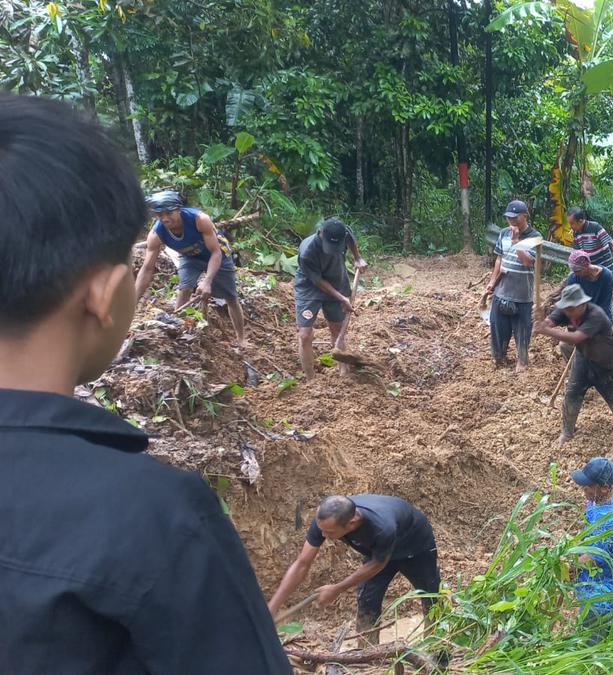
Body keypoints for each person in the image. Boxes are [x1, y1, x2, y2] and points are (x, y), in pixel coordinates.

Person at [0, 94, 290, 673]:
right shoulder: (160, 516)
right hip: (168, 274)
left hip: (211, 262)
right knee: (190, 295)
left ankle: (234, 335)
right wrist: (160, 292)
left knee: (223, 293)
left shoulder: (202, 223)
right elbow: (151, 265)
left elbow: (211, 256)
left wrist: (208, 282)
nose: (169, 218)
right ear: (104, 298)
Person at [268, 494, 441, 643]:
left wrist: (337, 588)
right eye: (322, 530)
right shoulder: (325, 522)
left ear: (352, 523)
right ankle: (368, 654)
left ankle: (434, 646)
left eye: (330, 532)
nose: (323, 535)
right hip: (377, 551)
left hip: (415, 546)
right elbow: (302, 564)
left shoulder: (381, 527)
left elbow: (378, 564)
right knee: (367, 599)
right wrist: (273, 607)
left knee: (430, 596)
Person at [134, 189, 248, 348]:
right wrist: (133, 299)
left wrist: (207, 281)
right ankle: (177, 329)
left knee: (230, 297)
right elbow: (147, 269)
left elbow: (216, 253)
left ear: (178, 209)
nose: (165, 218)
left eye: (169, 213)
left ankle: (241, 338)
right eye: (160, 215)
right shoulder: (156, 234)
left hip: (217, 254)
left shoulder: (200, 220)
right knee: (185, 288)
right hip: (190, 256)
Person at [535, 284, 613, 444]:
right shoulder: (567, 310)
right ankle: (567, 432)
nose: (567, 312)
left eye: (571, 308)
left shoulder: (596, 315)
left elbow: (576, 337)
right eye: (566, 308)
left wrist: (546, 331)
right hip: (584, 358)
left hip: (610, 362)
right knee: (572, 393)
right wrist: (541, 322)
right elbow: (550, 322)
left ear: (582, 304)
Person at [294, 217, 368, 377]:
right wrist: (341, 298)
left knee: (336, 328)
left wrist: (357, 258)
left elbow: (350, 238)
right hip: (310, 287)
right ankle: (310, 380)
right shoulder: (307, 251)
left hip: (336, 280)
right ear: (321, 233)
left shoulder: (342, 232)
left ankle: (343, 372)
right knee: (305, 335)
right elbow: (319, 282)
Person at [569, 457, 613, 644]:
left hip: (602, 585)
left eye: (588, 486)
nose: (583, 490)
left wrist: (569, 566)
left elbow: (593, 557)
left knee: (594, 627)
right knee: (609, 623)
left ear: (603, 488)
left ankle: (599, 659)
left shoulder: (608, 520)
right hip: (595, 583)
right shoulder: (597, 501)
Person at [486, 199, 541, 372]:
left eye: (515, 218)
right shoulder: (503, 234)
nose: (511, 221)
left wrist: (517, 241)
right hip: (502, 291)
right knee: (497, 330)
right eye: (509, 218)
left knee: (522, 333)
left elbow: (528, 262)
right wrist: (492, 282)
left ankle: (522, 362)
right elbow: (499, 259)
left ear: (525, 216)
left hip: (522, 295)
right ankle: (499, 357)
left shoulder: (534, 237)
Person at [567, 206, 613, 276]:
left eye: (572, 223)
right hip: (592, 272)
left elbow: (612, 243)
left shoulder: (595, 227)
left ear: (580, 221)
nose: (570, 226)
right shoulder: (576, 233)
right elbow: (576, 254)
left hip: (606, 270)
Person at [565, 250, 613, 320]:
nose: (576, 274)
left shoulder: (606, 275)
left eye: (578, 271)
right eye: (574, 271)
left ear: (586, 266)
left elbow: (605, 304)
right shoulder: (573, 278)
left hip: (602, 315)